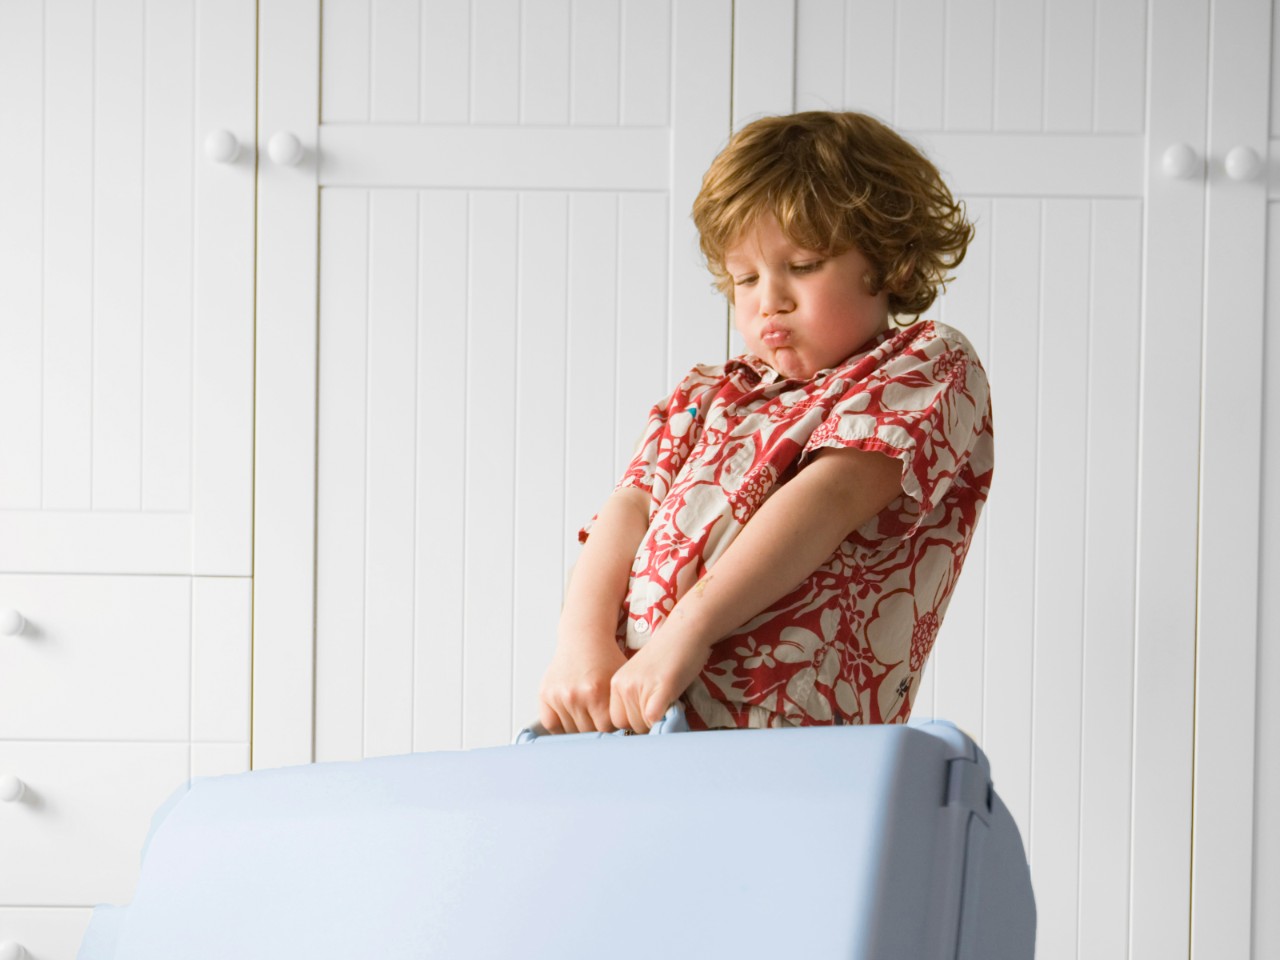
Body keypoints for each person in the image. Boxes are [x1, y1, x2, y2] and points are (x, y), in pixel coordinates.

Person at [538, 111, 993, 734]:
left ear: (893, 263)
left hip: (780, 726)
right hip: (627, 714)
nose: (769, 300)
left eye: (802, 266)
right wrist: (580, 644)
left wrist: (687, 632)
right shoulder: (708, 392)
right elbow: (628, 508)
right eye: (746, 278)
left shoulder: (925, 361)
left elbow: (829, 499)